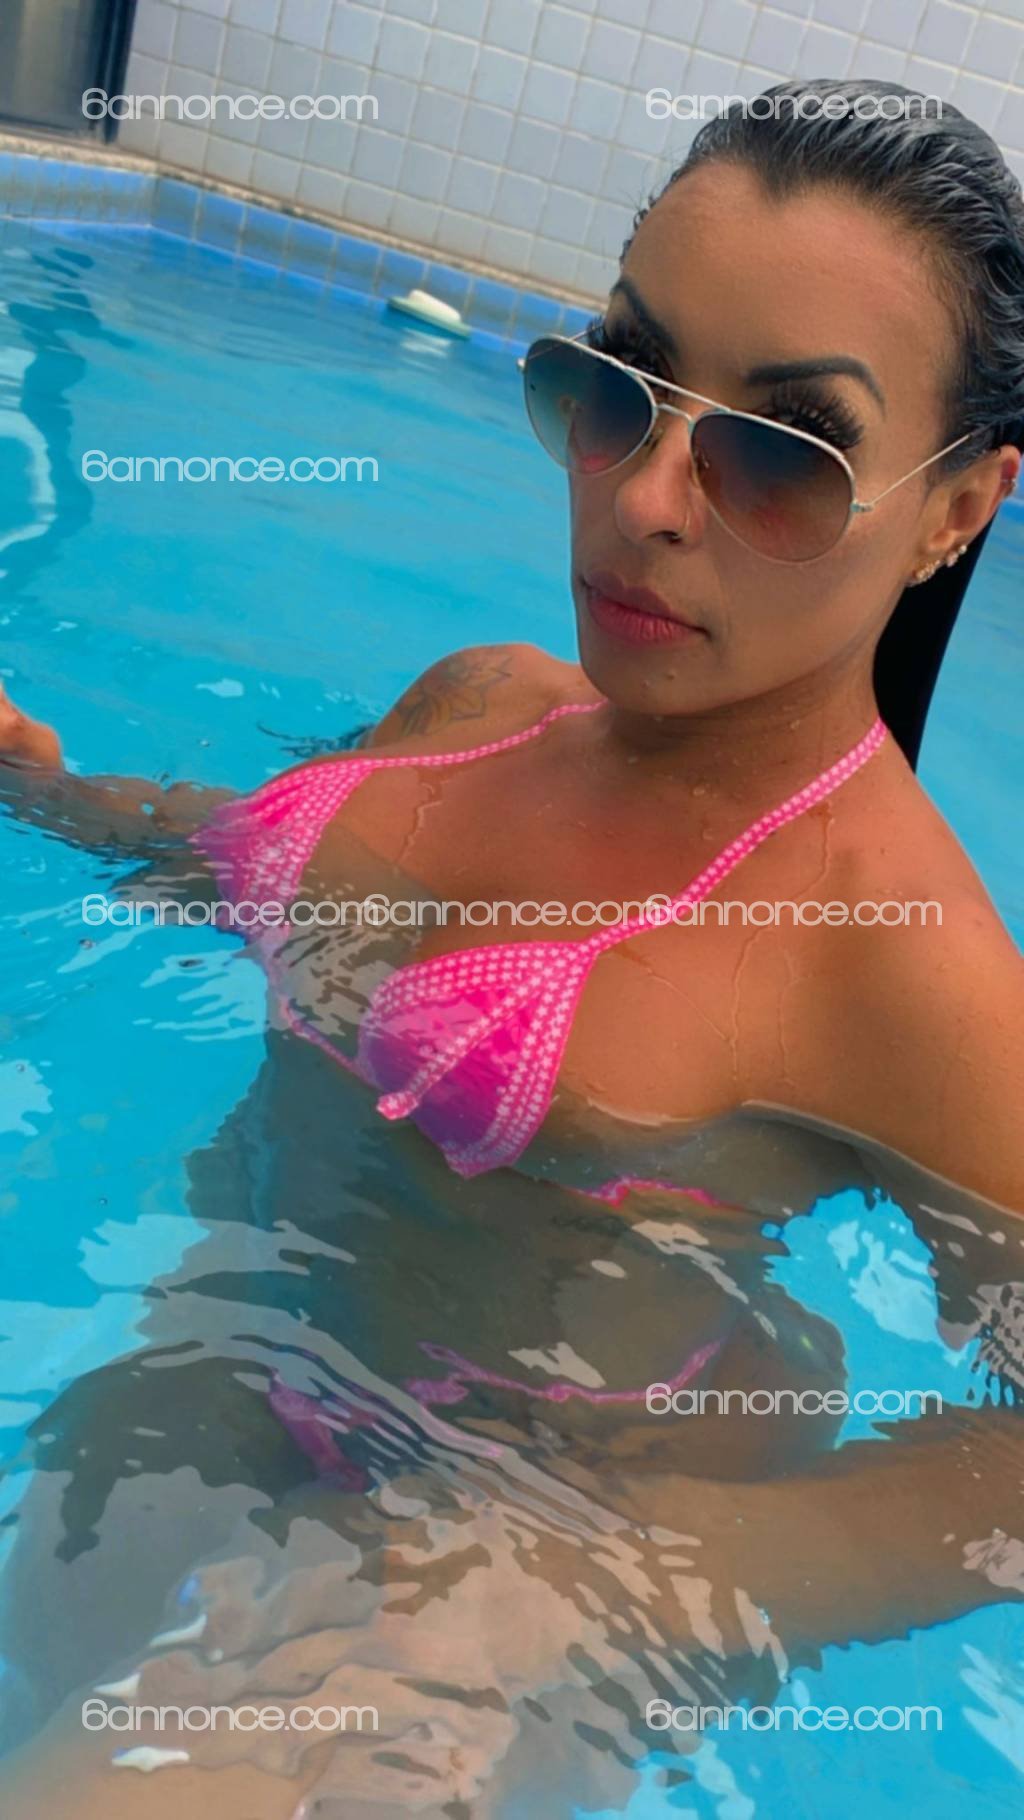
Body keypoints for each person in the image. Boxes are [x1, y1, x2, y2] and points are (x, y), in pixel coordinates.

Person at [2, 78, 1024, 1820]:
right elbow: (246, 867)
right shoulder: (477, 701)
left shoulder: (901, 967)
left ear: (957, 510)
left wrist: (627, 1576)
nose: (648, 500)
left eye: (786, 451)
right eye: (623, 384)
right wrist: (45, 788)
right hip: (207, 1376)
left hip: (485, 1573)